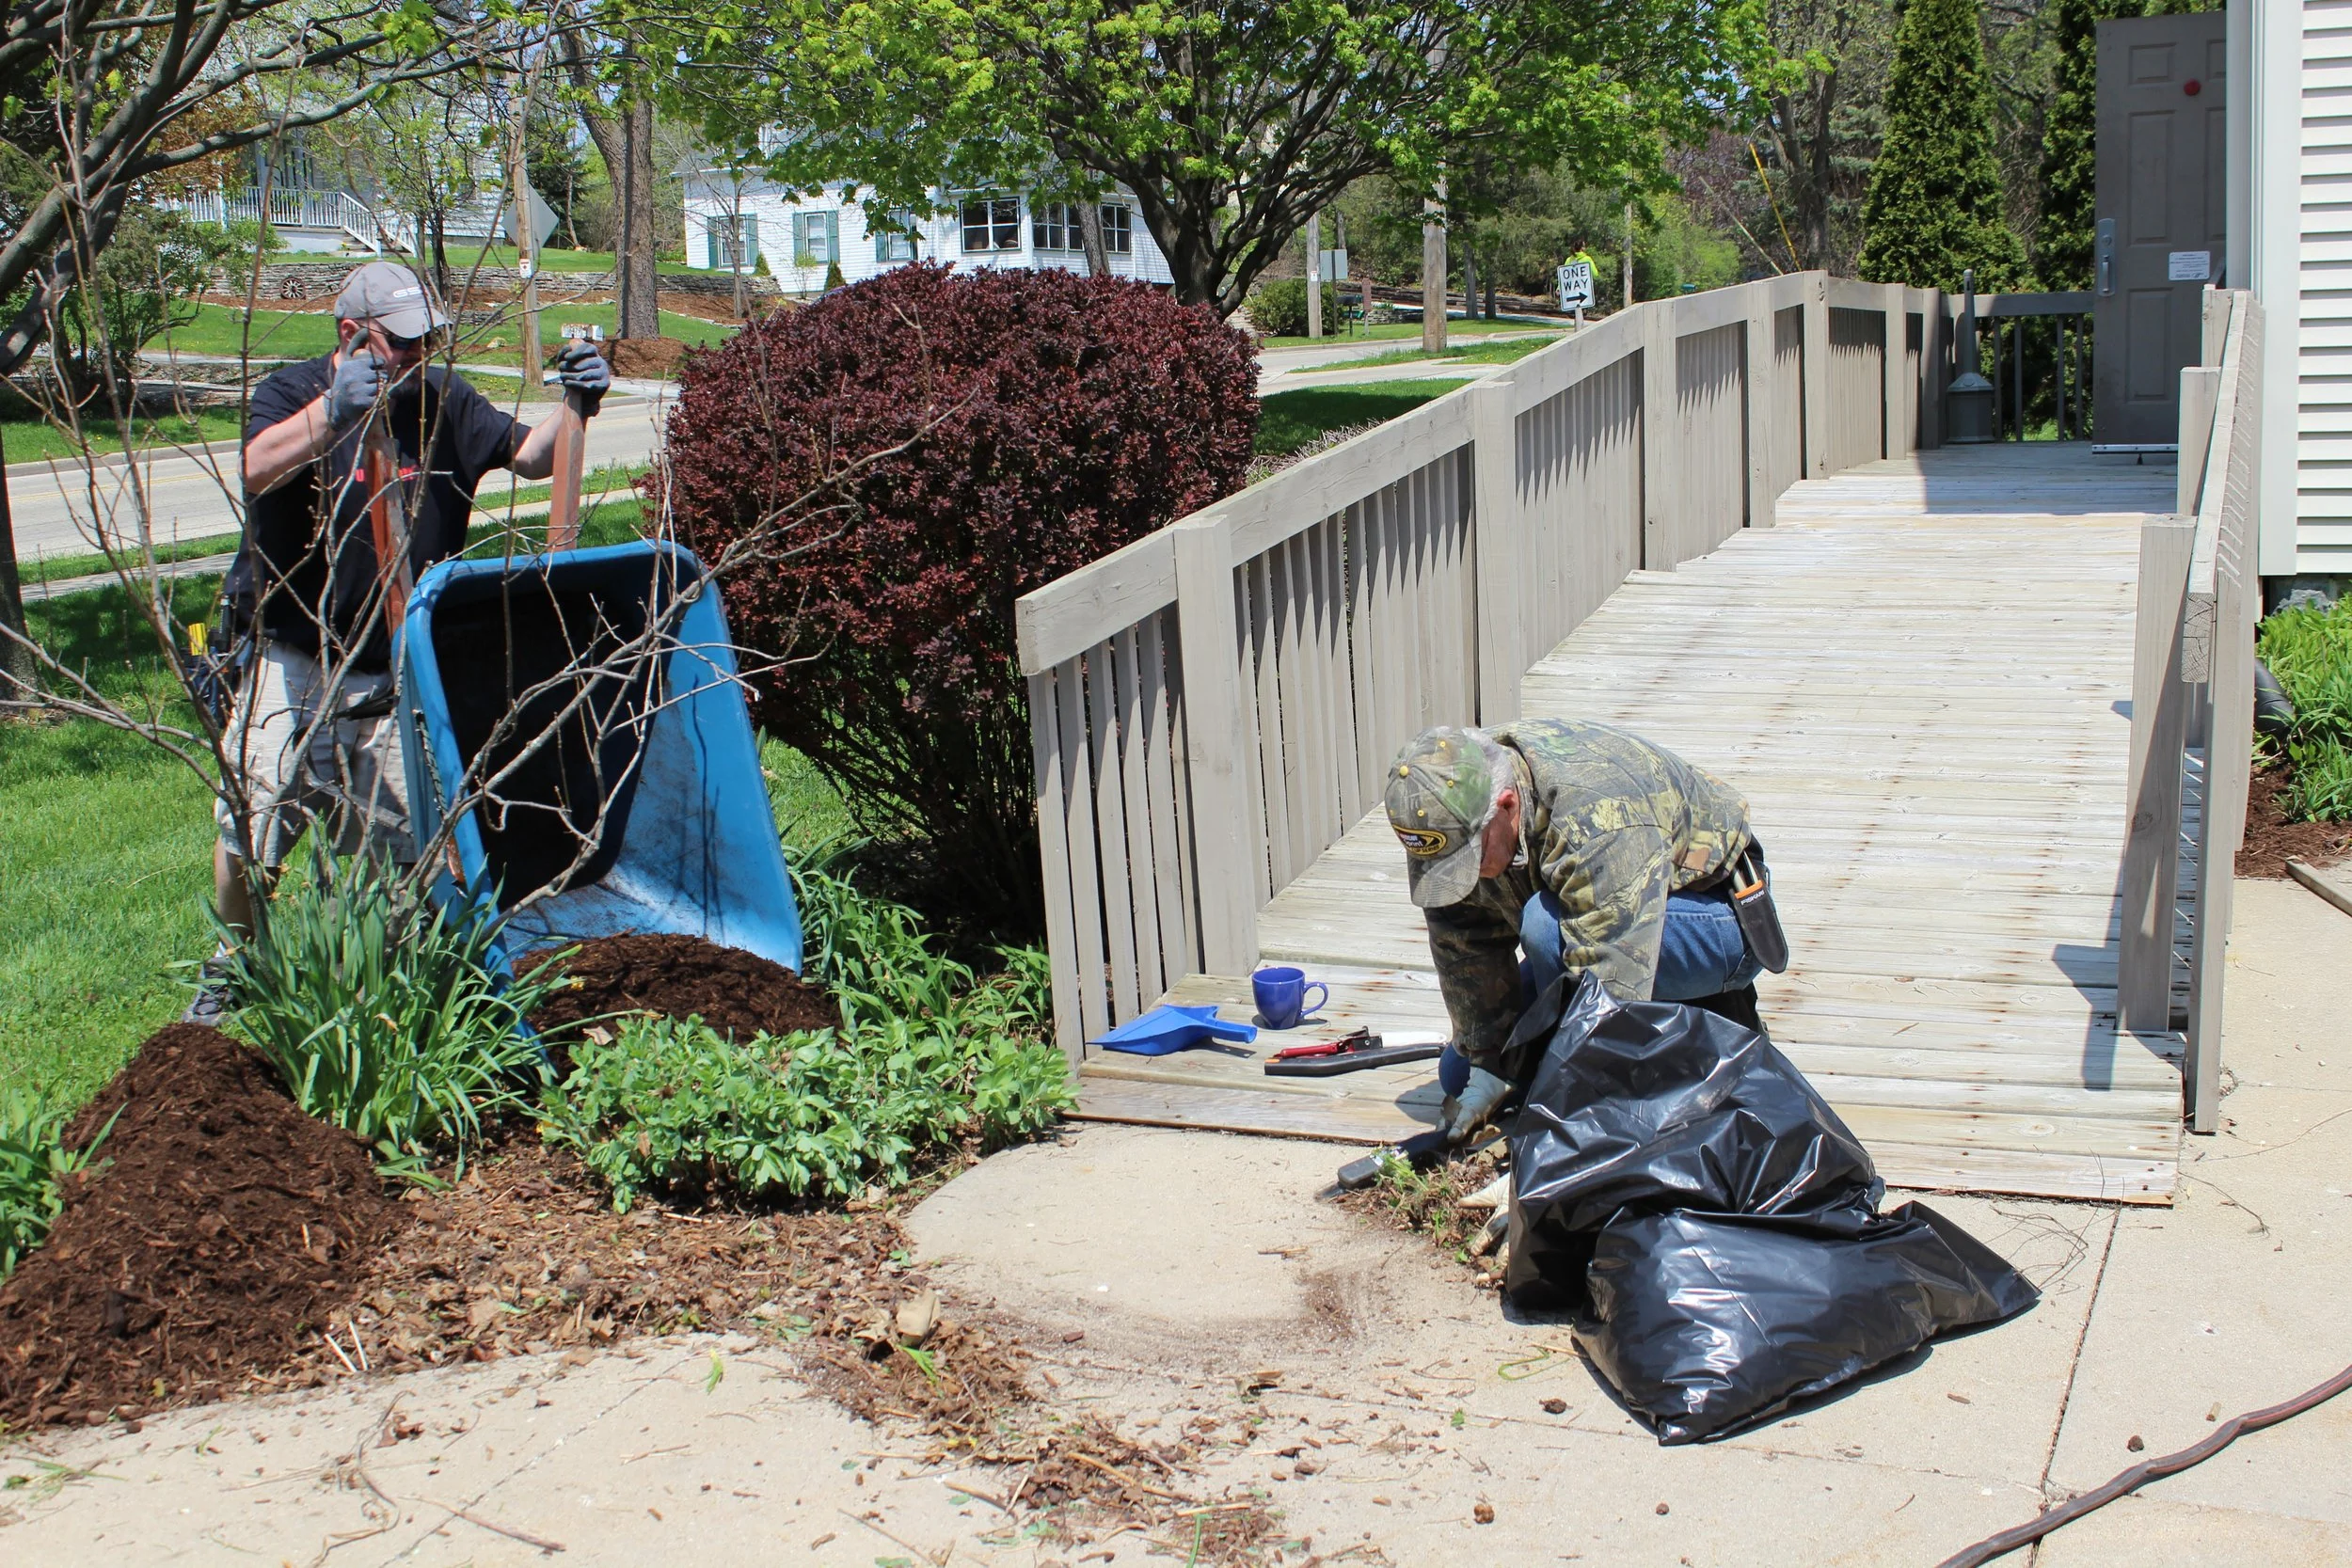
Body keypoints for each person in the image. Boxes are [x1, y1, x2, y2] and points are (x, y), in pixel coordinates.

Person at [186, 261, 613, 1022]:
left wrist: (577, 399)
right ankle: (235, 962)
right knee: (254, 823)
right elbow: (255, 468)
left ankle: (377, 990)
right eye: (401, 343)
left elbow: (531, 455)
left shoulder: (443, 399)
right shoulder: (290, 393)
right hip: (294, 657)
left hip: (398, 667)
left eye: (425, 342)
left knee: (401, 848)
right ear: (351, 333)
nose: (417, 356)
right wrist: (332, 413)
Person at [1382, 719, 1786, 1144]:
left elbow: (1612, 984)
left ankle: (1718, 1028)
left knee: (1543, 925)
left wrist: (1572, 1126)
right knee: (1459, 1073)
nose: (1464, 876)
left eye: (1470, 858)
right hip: (1586, 922)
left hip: (1718, 920)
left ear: (1507, 806)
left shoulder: (1596, 817)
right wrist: (1488, 1062)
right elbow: (1464, 946)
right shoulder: (1448, 811)